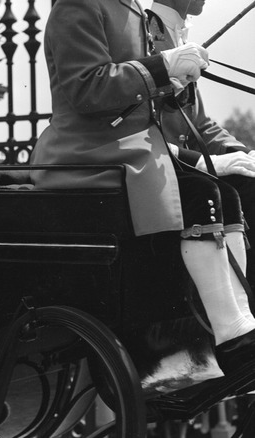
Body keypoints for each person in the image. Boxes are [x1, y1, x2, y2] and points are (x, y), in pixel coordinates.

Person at [29, 0, 255, 375]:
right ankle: (231, 332)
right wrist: (162, 67)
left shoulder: (129, 6)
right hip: (86, 155)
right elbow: (86, 89)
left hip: (130, 153)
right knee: (204, 194)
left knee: (228, 193)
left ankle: (238, 323)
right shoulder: (78, 3)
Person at [148, 0, 255, 289]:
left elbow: (201, 124)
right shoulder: (145, 33)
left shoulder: (175, 33)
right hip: (157, 169)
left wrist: (242, 154)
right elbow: (143, 127)